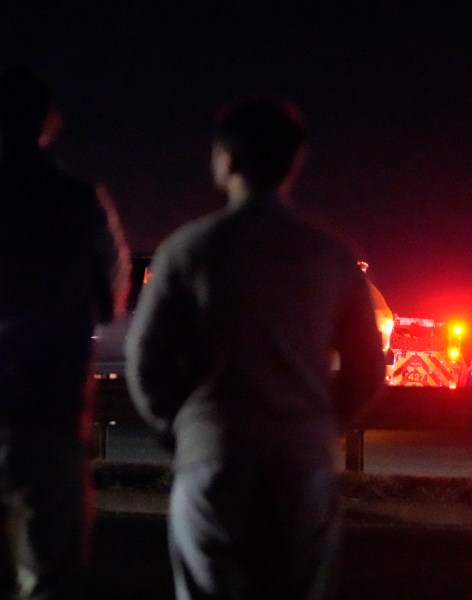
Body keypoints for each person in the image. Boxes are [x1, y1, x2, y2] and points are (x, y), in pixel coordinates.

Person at [125, 99, 385, 599]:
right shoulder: (331, 256)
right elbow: (367, 368)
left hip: (214, 454)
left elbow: (145, 358)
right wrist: (322, 425)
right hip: (301, 459)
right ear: (295, 161)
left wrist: (181, 428)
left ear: (224, 159)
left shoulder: (188, 249)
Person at [0, 66, 130, 598]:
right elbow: (109, 301)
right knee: (51, 573)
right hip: (47, 408)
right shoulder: (78, 203)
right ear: (48, 124)